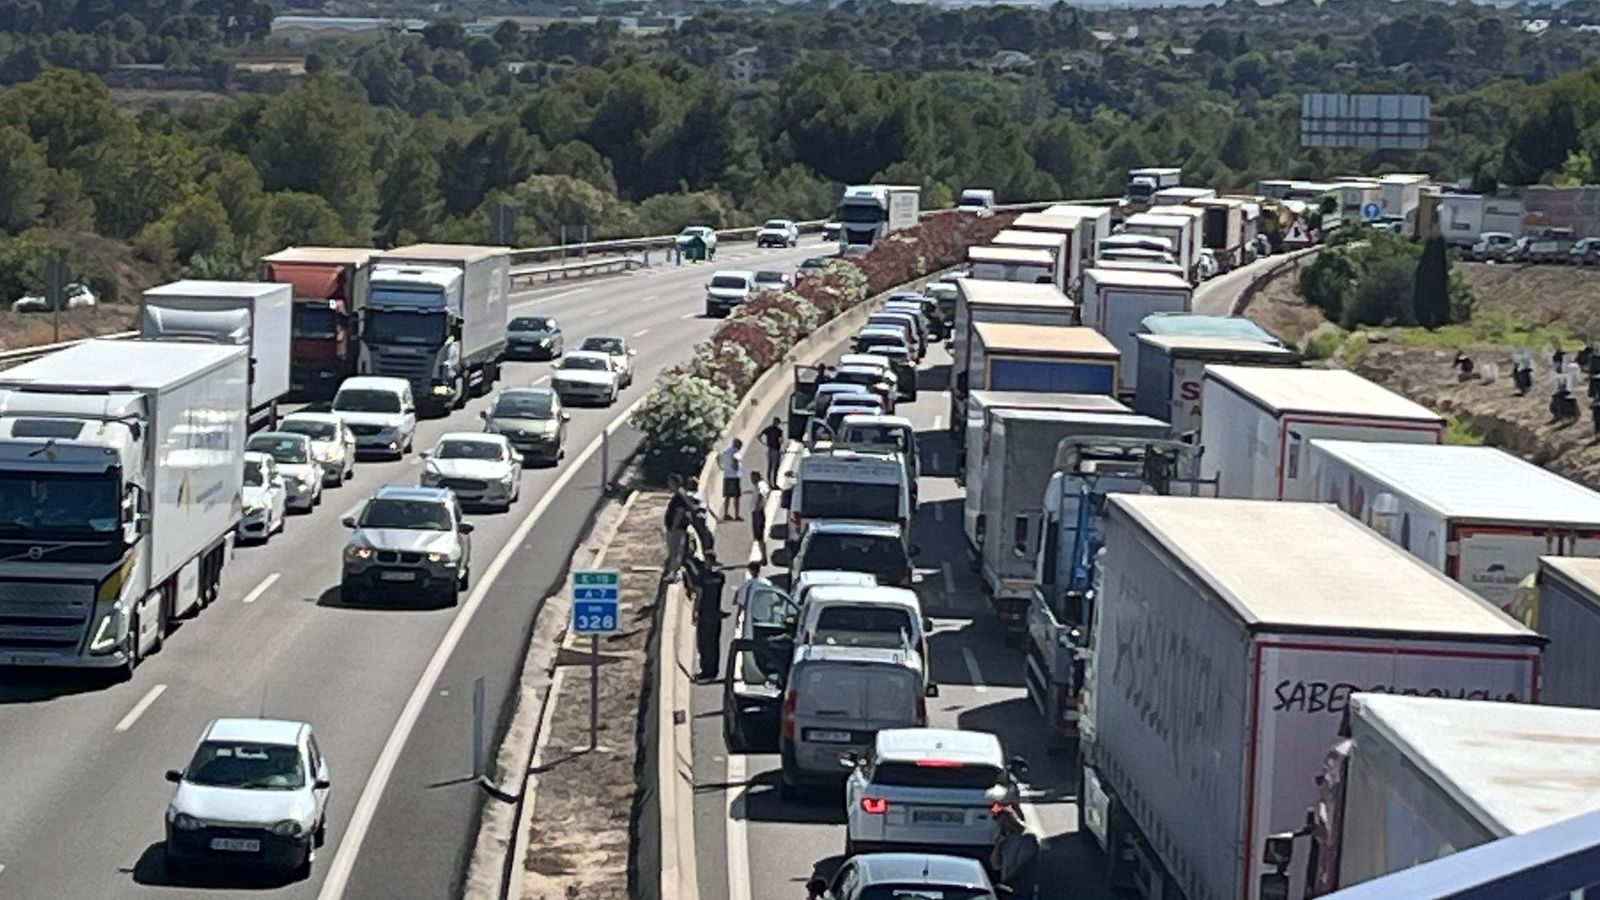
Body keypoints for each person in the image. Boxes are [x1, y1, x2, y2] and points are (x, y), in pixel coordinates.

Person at [990, 805, 1040, 897]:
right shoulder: (1007, 838)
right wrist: (998, 845)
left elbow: (1022, 863)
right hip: (1008, 886)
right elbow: (995, 865)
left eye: (1003, 822)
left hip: (1023, 885)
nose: (1002, 826)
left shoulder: (1028, 837)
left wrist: (1007, 879)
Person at [694, 552, 727, 681]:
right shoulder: (720, 577)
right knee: (714, 643)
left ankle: (706, 671)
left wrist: (695, 612)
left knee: (704, 643)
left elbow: (699, 593)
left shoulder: (702, 577)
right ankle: (713, 671)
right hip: (716, 614)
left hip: (705, 613)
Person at [662, 474, 690, 584]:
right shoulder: (679, 494)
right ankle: (673, 572)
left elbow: (679, 512)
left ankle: (674, 573)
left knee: (675, 552)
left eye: (670, 483)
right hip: (675, 529)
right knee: (674, 552)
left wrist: (673, 527)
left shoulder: (679, 496)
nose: (669, 485)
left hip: (677, 529)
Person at [749, 472, 772, 564]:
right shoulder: (757, 485)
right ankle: (762, 556)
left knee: (760, 537)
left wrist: (759, 506)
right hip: (755, 512)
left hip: (758, 513)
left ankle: (764, 557)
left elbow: (764, 493)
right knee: (758, 537)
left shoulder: (760, 485)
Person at [719, 439, 744, 520]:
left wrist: (721, 467)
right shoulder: (736, 452)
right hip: (734, 476)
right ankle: (736, 515)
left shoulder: (726, 451)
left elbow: (718, 457)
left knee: (727, 496)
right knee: (736, 497)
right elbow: (735, 461)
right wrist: (736, 468)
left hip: (726, 475)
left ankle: (726, 513)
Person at [759, 416, 785, 484]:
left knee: (775, 467)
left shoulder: (778, 431)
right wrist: (765, 444)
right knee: (771, 467)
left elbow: (781, 441)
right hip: (772, 449)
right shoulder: (770, 429)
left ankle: (773, 482)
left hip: (776, 449)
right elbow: (759, 436)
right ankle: (770, 482)